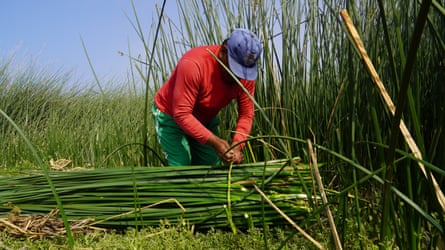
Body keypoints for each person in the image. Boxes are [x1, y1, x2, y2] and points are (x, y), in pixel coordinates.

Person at [152, 28, 262, 166]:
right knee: (181, 169)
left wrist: (238, 145)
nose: (239, 77)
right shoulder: (193, 65)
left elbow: (246, 114)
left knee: (211, 167)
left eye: (243, 71)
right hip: (171, 116)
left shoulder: (246, 74)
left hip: (205, 117)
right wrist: (215, 142)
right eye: (235, 69)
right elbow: (181, 114)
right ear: (223, 52)